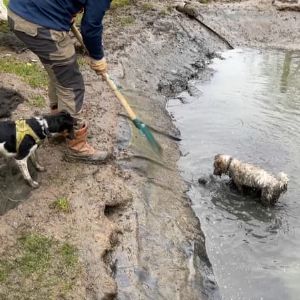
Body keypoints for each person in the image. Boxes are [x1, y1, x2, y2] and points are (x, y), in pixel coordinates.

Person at [7, 0, 111, 163]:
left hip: (18, 11)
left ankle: (57, 127)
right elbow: (91, 27)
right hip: (38, 23)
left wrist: (63, 10)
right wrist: (98, 57)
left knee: (59, 73)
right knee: (72, 85)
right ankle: (76, 146)